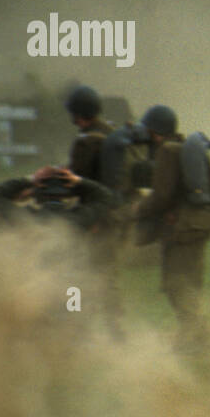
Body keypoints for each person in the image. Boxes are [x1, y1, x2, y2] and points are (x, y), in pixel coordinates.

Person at [131, 105, 210, 351]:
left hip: (182, 227)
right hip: (199, 223)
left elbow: (162, 196)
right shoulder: (186, 147)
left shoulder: (167, 151)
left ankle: (196, 338)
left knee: (176, 283)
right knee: (189, 282)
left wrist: (137, 210)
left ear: (156, 132)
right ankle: (194, 335)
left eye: (148, 130)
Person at [63, 84, 126, 334]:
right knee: (104, 273)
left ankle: (84, 326)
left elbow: (78, 180)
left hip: (95, 217)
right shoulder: (111, 133)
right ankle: (112, 327)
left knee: (84, 273)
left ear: (77, 115)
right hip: (113, 214)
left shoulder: (87, 141)